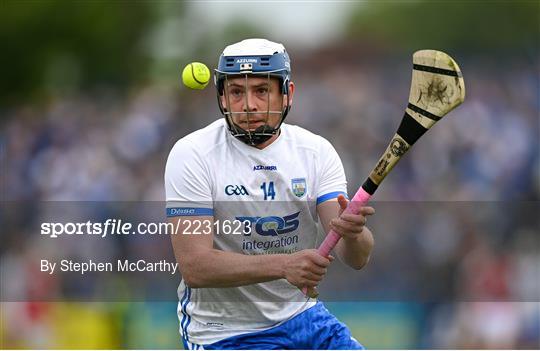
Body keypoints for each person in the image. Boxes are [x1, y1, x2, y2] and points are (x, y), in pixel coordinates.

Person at [165, 38, 375, 350]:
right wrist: (284, 265)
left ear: (287, 93)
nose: (248, 104)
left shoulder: (315, 152)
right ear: (222, 96)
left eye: (261, 91)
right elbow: (194, 266)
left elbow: (355, 258)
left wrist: (355, 234)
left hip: (302, 317)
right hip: (224, 333)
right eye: (237, 91)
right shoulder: (193, 154)